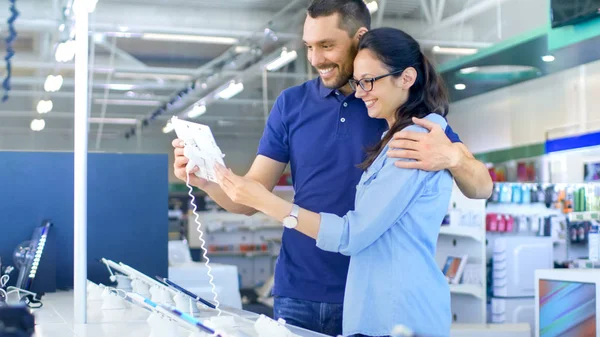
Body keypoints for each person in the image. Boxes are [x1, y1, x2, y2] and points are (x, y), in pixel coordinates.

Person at [172, 1, 493, 335]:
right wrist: (207, 181)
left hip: (372, 291)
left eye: (327, 45)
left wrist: (455, 157)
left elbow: (481, 187)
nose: (315, 59)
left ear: (361, 36)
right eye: (309, 46)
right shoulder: (292, 105)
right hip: (299, 289)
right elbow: (248, 197)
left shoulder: (400, 114)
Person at [214, 26, 454, 337]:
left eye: (368, 81)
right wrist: (209, 178)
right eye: (358, 82)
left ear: (406, 78)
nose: (361, 90)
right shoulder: (389, 135)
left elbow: (352, 233)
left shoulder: (418, 139)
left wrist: (269, 204)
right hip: (355, 301)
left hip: (397, 311)